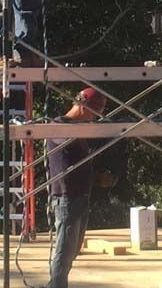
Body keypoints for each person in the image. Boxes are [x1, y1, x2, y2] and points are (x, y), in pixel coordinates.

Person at [46, 87, 106, 288]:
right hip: (66, 198)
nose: (93, 121)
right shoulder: (58, 126)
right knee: (63, 253)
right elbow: (65, 141)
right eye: (93, 115)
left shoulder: (79, 129)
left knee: (71, 252)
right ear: (83, 107)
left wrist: (96, 178)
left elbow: (74, 163)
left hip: (80, 197)